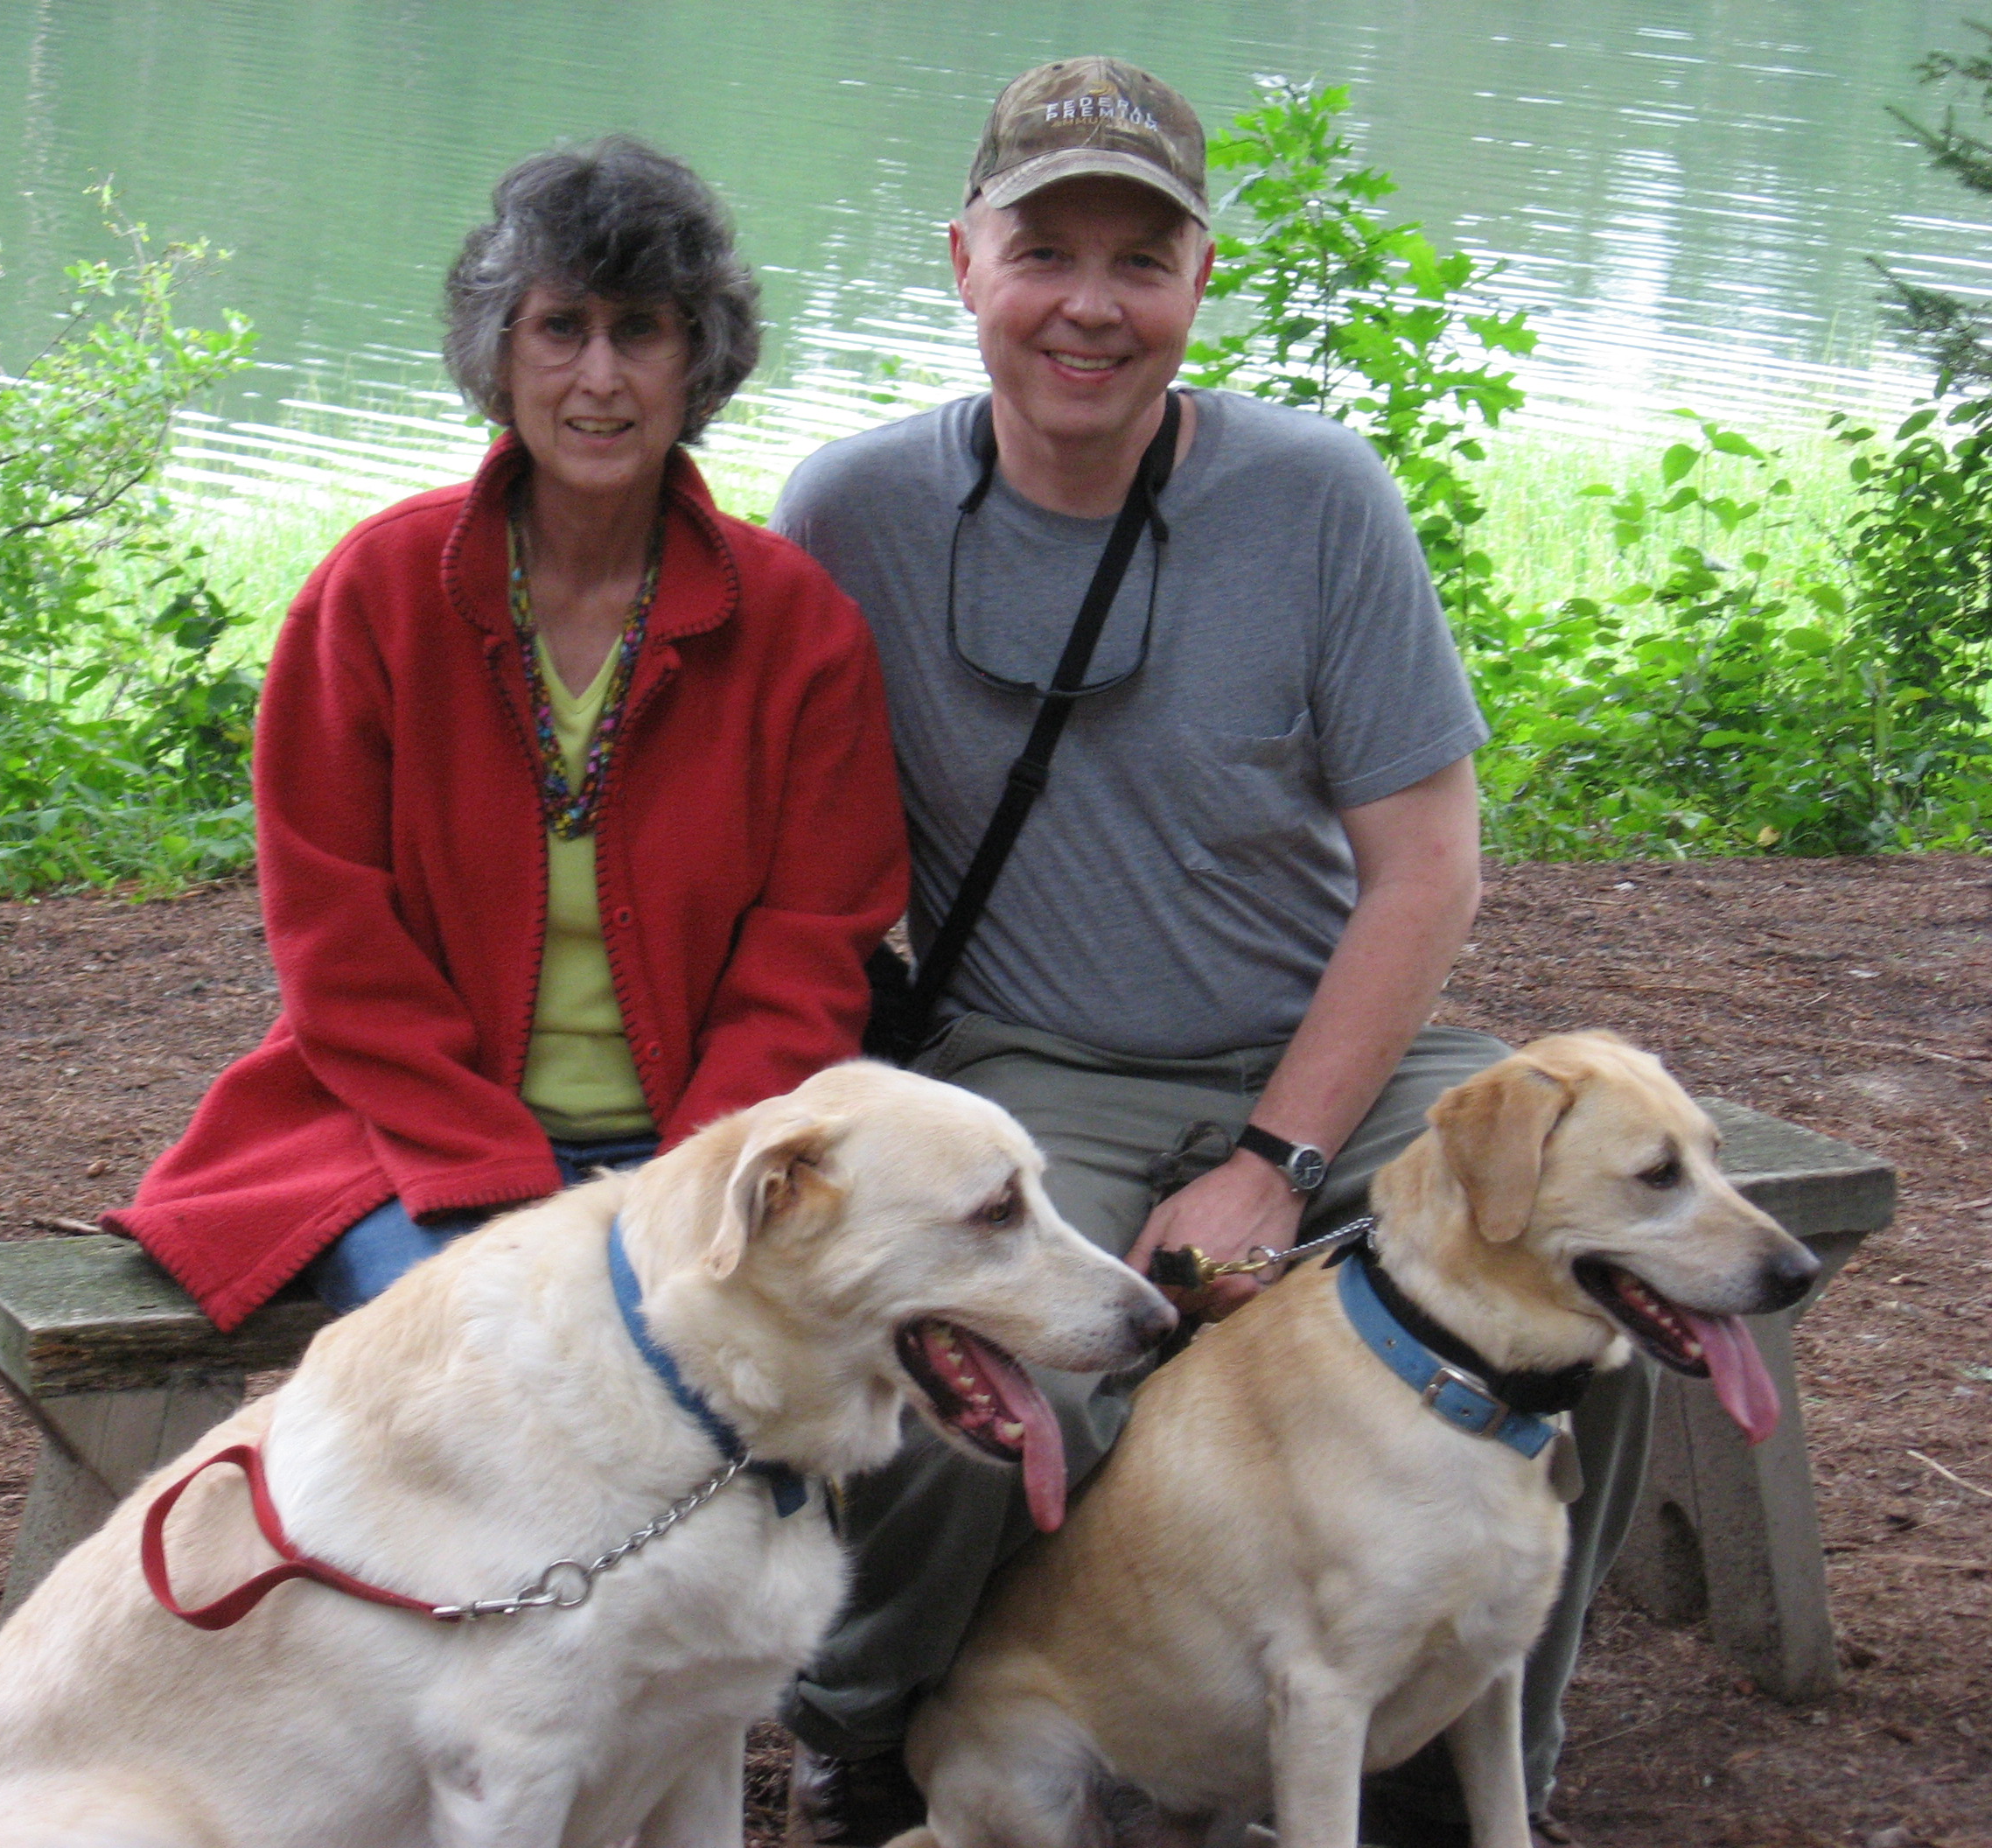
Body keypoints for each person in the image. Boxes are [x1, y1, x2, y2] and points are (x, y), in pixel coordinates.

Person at [769, 59, 1648, 1848]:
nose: (1088, 306)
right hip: (1035, 1062)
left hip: (1328, 1045)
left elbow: (1425, 871)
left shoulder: (1317, 498)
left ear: (1199, 280)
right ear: (962, 262)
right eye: (1044, 252)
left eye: (1139, 259)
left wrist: (1276, 1158)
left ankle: (1466, 1774)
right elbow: (771, 834)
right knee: (964, 1373)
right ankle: (860, 1729)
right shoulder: (848, 514)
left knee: (1590, 1279)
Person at [105, 137, 907, 1334]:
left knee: (749, 1366)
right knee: (480, 1347)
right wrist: (495, 1171)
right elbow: (337, 942)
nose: (600, 377)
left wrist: (692, 1176)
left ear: (698, 357)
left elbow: (811, 950)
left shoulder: (798, 626)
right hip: (410, 1137)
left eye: (641, 331)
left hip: (715, 1147)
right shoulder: (377, 594)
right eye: (561, 328)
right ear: (500, 352)